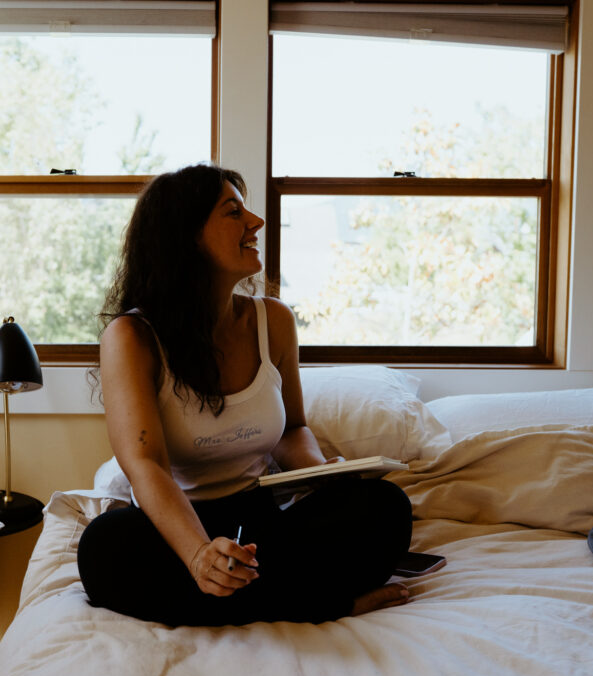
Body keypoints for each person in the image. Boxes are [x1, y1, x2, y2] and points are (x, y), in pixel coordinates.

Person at [77, 163, 413, 627]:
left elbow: (292, 429)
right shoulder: (131, 336)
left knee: (384, 507)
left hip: (260, 525)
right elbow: (145, 466)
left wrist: (321, 475)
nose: (255, 222)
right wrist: (198, 556)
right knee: (103, 549)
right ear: (186, 235)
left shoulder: (273, 321)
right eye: (233, 211)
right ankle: (327, 604)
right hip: (173, 528)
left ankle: (249, 601)